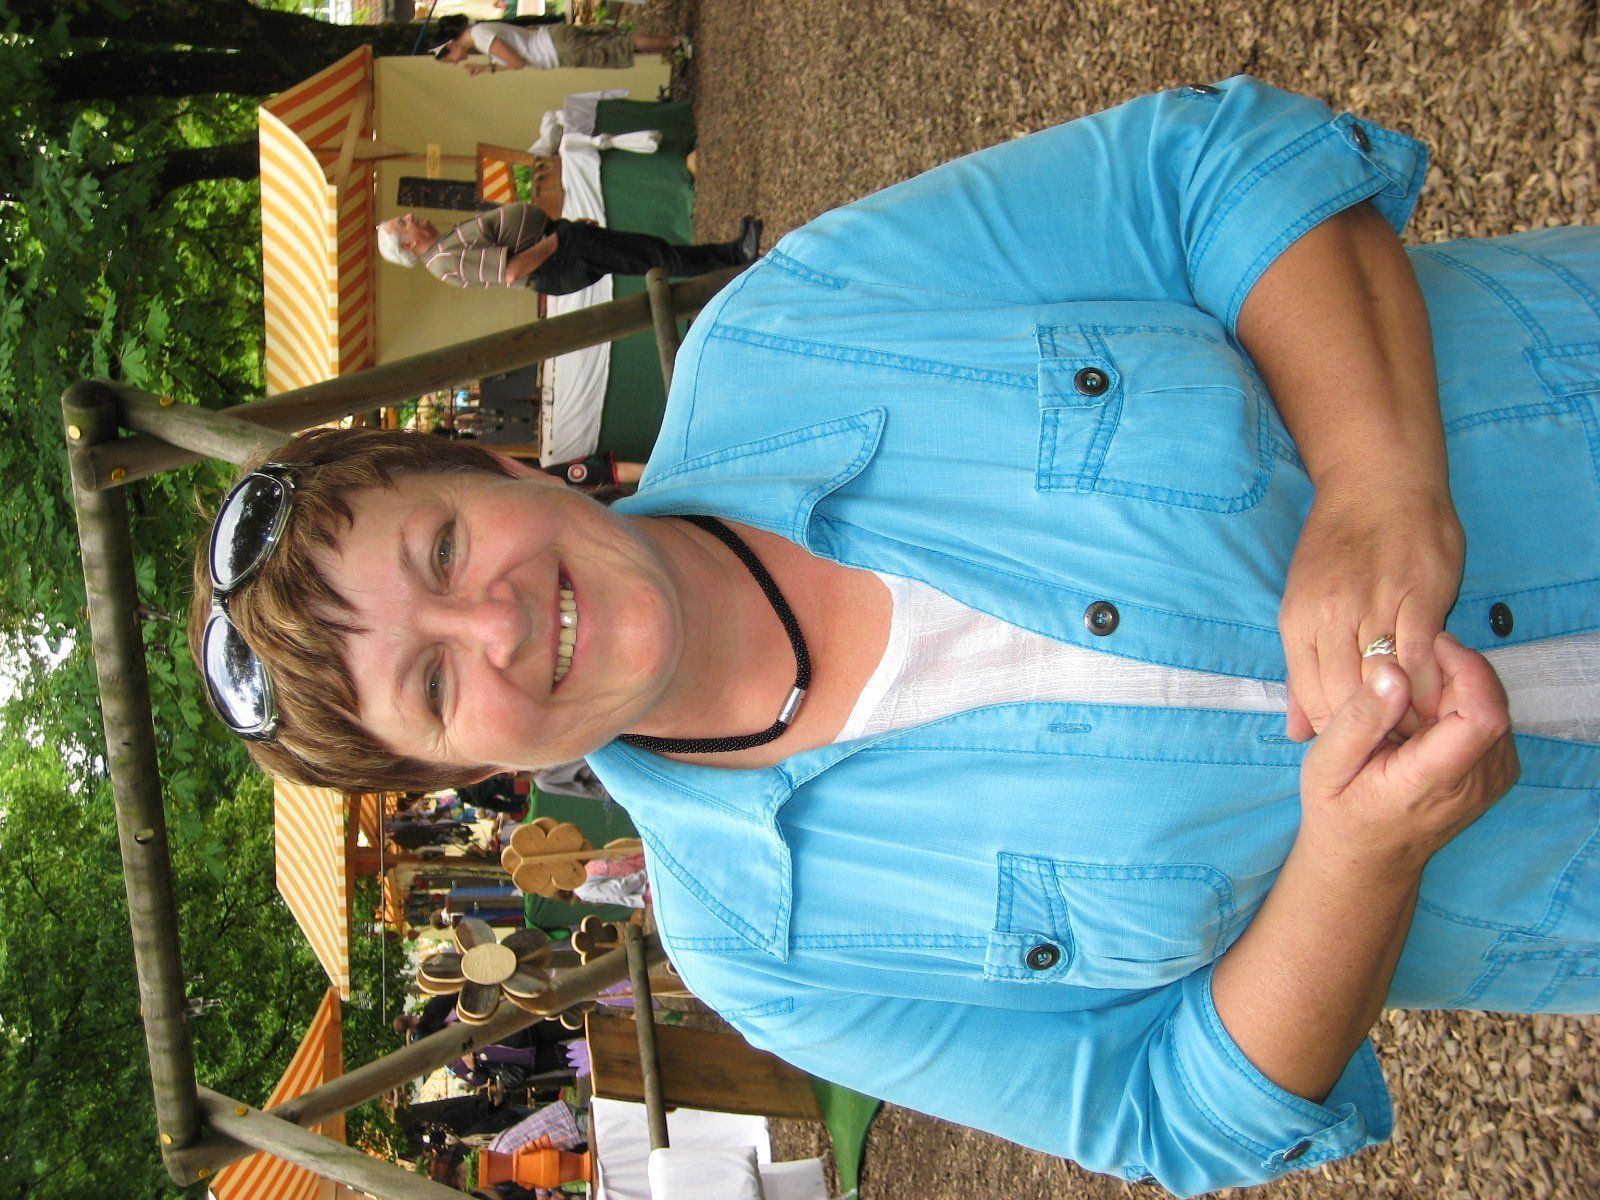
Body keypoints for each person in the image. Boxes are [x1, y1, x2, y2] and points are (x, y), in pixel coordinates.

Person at [190, 78, 1600, 1196]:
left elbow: (1212, 170)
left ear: (496, 465)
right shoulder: (760, 952)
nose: (495, 621)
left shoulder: (789, 330)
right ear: (460, 771)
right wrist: (1357, 861)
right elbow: (1173, 1113)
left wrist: (1374, 477)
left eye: (443, 550)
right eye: (435, 681)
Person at [376, 205, 761, 298]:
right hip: (558, 257)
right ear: (408, 245)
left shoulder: (445, 246)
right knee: (652, 255)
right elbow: (511, 271)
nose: (409, 216)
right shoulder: (443, 259)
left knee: (649, 252)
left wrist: (562, 230)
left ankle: (733, 258)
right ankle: (737, 259)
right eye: (402, 223)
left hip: (560, 246)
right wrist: (559, 239)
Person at [429, 14, 685, 76]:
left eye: (449, 59)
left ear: (450, 46)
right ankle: (674, 43)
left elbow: (518, 63)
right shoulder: (481, 30)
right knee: (617, 42)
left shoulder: (482, 39)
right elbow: (524, 34)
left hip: (558, 49)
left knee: (619, 46)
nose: (456, 62)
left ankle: (676, 42)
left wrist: (487, 68)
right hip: (554, 38)